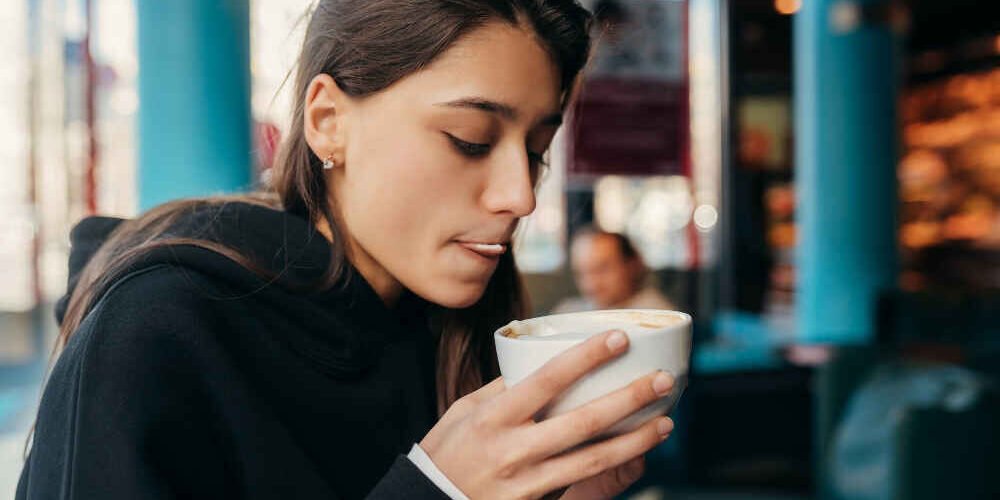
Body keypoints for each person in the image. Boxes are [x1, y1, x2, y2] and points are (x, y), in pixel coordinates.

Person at [17, 1, 677, 499]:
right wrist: (435, 490)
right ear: (328, 121)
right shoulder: (161, 327)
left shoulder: (453, 333)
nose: (521, 196)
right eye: (471, 140)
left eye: (536, 151)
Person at [553, 228, 676, 314]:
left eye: (602, 269)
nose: (590, 285)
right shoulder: (567, 311)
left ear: (632, 265)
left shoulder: (657, 315)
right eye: (580, 274)